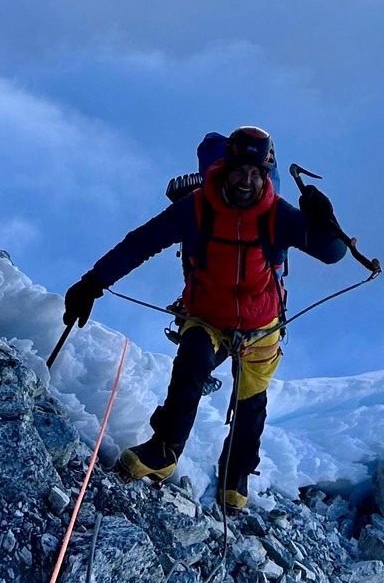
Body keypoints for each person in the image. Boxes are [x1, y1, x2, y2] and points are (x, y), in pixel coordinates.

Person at [62, 126, 349, 510]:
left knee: (251, 401)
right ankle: (163, 451)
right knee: (192, 363)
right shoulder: (197, 207)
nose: (246, 181)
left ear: (266, 176)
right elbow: (141, 243)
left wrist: (325, 223)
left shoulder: (277, 215)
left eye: (255, 174)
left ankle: (237, 474)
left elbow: (331, 254)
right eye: (240, 172)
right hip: (207, 317)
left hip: (261, 325)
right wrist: (92, 283)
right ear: (226, 168)